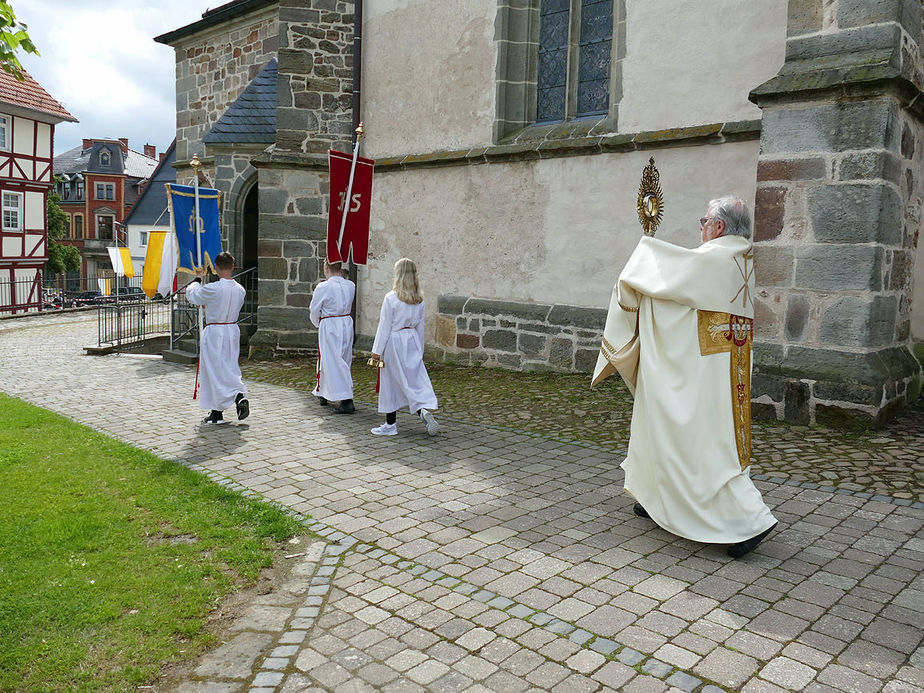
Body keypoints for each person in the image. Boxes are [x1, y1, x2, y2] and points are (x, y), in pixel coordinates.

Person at [593, 196, 777, 558]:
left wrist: (644, 250)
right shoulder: (741, 257)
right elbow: (687, 302)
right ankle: (653, 496)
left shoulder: (716, 257)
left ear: (719, 227)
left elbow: (657, 277)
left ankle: (748, 521)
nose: (702, 228)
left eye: (704, 221)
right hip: (724, 371)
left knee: (701, 443)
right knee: (682, 431)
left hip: (700, 375)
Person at [369, 258, 439, 436]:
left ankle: (390, 424)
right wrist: (420, 351)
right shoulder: (419, 300)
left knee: (391, 382)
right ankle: (423, 410)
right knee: (413, 380)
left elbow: (384, 326)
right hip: (412, 340)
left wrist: (376, 352)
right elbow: (420, 328)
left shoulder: (391, 298)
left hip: (394, 341)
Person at [186, 251, 249, 425]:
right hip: (232, 330)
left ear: (216, 268)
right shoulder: (240, 289)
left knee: (214, 371)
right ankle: (226, 403)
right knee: (229, 368)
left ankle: (230, 402)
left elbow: (192, 295)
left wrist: (198, 278)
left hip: (215, 331)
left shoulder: (213, 288)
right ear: (233, 266)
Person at [309, 260, 356, 414]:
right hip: (346, 323)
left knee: (333, 361)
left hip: (330, 325)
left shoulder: (323, 287)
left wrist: (318, 324)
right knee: (338, 358)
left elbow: (315, 310)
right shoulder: (351, 285)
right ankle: (323, 391)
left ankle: (346, 399)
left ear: (326, 268)